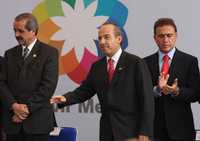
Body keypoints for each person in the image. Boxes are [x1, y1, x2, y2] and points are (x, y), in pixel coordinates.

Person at [51, 22, 154, 141]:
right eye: (100, 38)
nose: (102, 42)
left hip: (131, 133)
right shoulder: (97, 67)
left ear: (119, 39)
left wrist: (145, 133)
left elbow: (147, 101)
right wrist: (66, 98)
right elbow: (85, 90)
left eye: (107, 37)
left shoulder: (136, 63)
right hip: (107, 132)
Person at [0, 13, 58, 141]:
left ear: (33, 31)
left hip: (37, 124)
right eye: (15, 30)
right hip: (13, 124)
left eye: (20, 31)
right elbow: (1, 84)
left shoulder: (49, 53)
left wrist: (25, 110)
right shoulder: (9, 54)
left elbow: (48, 86)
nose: (16, 35)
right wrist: (14, 106)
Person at [144, 18, 200, 141]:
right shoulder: (144, 63)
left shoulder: (190, 61)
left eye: (169, 35)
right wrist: (156, 90)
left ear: (176, 36)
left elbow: (196, 93)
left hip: (182, 129)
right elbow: (140, 94)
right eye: (161, 36)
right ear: (155, 38)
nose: (165, 40)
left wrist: (176, 91)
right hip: (154, 129)